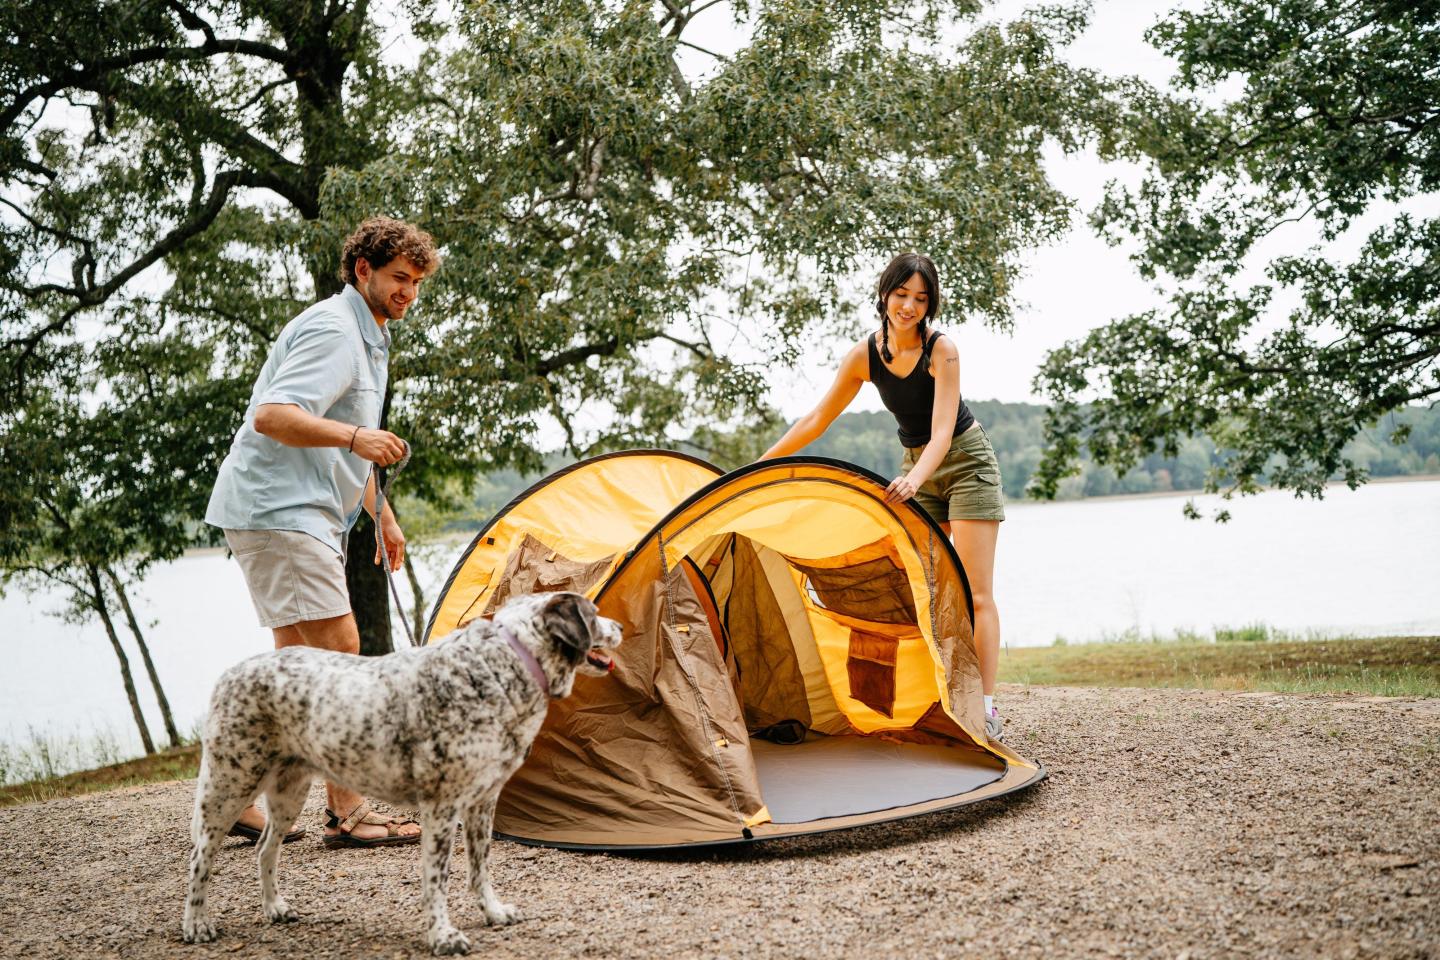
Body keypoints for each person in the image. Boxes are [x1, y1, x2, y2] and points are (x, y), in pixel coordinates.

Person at [204, 216, 439, 845]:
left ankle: (236, 802)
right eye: (397, 278)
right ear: (363, 270)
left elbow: (336, 444)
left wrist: (380, 515)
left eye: (416, 282)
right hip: (281, 509)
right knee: (340, 653)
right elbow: (274, 417)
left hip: (288, 510)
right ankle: (350, 810)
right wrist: (358, 436)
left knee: (295, 670)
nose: (407, 293)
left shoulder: (369, 338)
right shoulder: (336, 331)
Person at [758, 252, 1008, 741]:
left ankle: (987, 708)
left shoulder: (943, 351)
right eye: (901, 295)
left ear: (930, 303)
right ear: (884, 294)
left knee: (975, 592)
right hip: (916, 468)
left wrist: (915, 480)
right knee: (925, 590)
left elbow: (941, 434)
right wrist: (764, 463)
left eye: (920, 298)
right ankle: (940, 697)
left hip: (965, 463)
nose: (909, 306)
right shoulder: (865, 355)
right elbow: (816, 420)